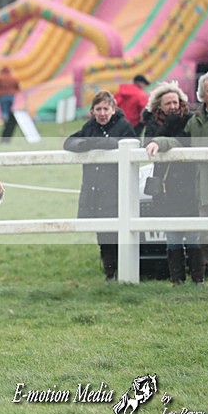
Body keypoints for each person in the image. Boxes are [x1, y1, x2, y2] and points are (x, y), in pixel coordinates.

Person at [146, 70, 208, 286]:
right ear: (201, 95)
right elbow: (180, 142)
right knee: (207, 237)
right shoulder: (196, 121)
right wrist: (158, 142)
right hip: (205, 187)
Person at [64, 91, 136, 281]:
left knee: (120, 234)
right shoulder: (90, 127)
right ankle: (110, 273)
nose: (102, 113)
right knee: (103, 235)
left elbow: (130, 144)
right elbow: (69, 141)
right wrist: (83, 146)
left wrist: (98, 143)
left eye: (106, 108)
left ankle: (125, 273)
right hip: (95, 190)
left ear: (113, 109)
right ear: (92, 111)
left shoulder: (124, 126)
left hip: (117, 189)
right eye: (98, 109)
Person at [141, 81, 204, 285]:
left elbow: (183, 141)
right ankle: (177, 280)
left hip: (188, 182)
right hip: (166, 186)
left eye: (175, 102)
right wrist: (168, 124)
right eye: (168, 103)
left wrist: (168, 128)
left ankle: (198, 279)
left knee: (194, 234)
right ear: (159, 105)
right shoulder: (152, 123)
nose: (173, 106)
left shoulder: (190, 119)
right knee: (172, 235)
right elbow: (147, 143)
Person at [0, 66, 20, 143]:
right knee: (9, 111)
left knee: (4, 111)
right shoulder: (13, 77)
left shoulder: (0, 78)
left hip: (2, 96)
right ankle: (8, 120)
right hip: (11, 96)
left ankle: (5, 121)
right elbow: (17, 86)